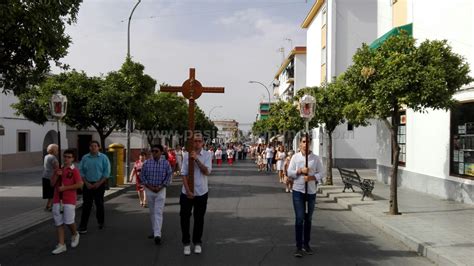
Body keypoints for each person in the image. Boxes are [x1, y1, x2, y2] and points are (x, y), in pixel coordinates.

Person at [287, 136, 324, 257]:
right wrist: (300, 171)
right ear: (300, 143)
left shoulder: (315, 158)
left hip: (311, 192)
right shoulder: (295, 157)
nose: (305, 144)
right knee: (299, 218)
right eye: (303, 142)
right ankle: (298, 247)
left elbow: (321, 172)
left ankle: (306, 244)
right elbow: (289, 172)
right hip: (298, 191)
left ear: (310, 143)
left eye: (308, 142)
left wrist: (312, 177)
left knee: (308, 219)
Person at [180, 132, 212, 256]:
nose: (197, 143)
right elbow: (183, 174)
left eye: (199, 141)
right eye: (195, 141)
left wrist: (196, 159)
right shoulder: (186, 154)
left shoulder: (208, 155)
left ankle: (197, 242)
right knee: (184, 218)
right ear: (192, 142)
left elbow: (206, 172)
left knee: (199, 219)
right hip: (186, 192)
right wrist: (187, 191)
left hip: (201, 192)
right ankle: (186, 243)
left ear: (203, 143)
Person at [50, 149, 84, 255]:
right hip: (57, 199)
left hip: (69, 199)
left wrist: (65, 188)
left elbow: (80, 184)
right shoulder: (58, 169)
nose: (66, 159)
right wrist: (56, 175)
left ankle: (75, 234)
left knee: (69, 221)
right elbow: (52, 184)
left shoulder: (74, 170)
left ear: (73, 159)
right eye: (65, 156)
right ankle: (61, 244)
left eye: (69, 157)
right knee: (58, 222)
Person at [141, 144, 173, 245]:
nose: (154, 153)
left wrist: (161, 186)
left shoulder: (166, 163)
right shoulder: (146, 163)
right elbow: (143, 176)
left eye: (156, 151)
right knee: (152, 211)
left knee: (158, 211)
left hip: (161, 190)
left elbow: (169, 176)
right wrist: (150, 187)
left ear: (161, 152)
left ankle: (157, 234)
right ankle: (155, 230)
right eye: (152, 151)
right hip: (150, 189)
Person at [78, 141, 111, 234]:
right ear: (89, 147)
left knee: (99, 203)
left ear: (99, 147)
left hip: (99, 184)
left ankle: (101, 221)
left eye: (95, 146)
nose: (93, 148)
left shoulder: (103, 158)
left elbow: (106, 172)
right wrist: (86, 183)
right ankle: (83, 226)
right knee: (86, 205)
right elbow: (81, 171)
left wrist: (99, 183)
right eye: (91, 146)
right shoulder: (85, 158)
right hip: (87, 184)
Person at [43, 144, 59, 211]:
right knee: (52, 192)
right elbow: (56, 167)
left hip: (45, 175)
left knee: (49, 192)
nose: (58, 151)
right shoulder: (53, 158)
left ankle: (49, 205)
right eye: (57, 149)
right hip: (51, 176)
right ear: (54, 150)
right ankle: (49, 206)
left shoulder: (46, 156)